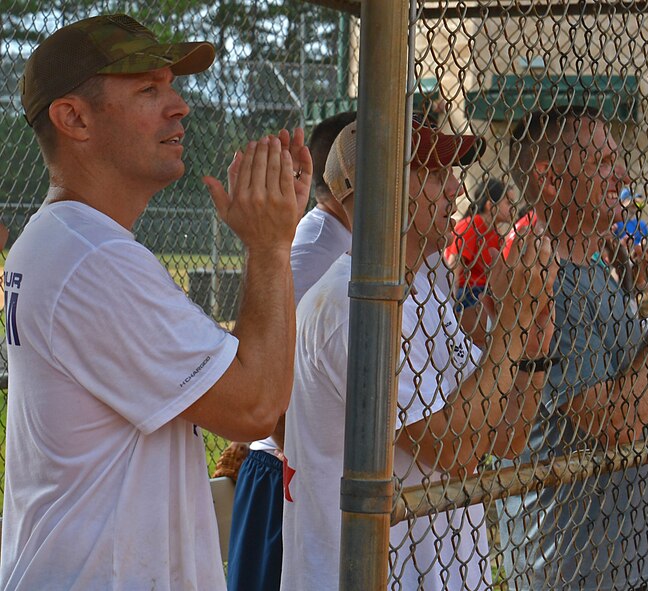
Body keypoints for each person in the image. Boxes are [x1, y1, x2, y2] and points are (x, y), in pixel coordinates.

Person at [0, 14, 311, 590]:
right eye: (148, 89)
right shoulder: (92, 258)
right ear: (73, 118)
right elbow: (254, 407)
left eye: (171, 85)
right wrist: (270, 246)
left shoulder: (67, 241)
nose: (179, 106)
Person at [280, 119, 555, 590]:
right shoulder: (348, 306)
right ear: (371, 187)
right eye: (431, 173)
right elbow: (455, 448)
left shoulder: (425, 285)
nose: (453, 187)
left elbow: (506, 435)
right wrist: (510, 324)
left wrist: (533, 340)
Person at [498, 107, 648, 591]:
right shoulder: (547, 280)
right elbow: (618, 425)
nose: (624, 176)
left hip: (628, 560)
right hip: (570, 568)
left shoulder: (595, 270)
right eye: (604, 163)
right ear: (549, 180)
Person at [224, 111, 356, 591]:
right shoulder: (319, 246)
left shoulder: (342, 241)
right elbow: (266, 356)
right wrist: (298, 454)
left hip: (302, 472)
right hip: (285, 474)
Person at [444, 177, 513, 310]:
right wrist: (450, 302)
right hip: (468, 292)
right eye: (508, 203)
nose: (512, 208)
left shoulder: (495, 232)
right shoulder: (473, 225)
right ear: (490, 205)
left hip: (486, 290)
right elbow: (454, 265)